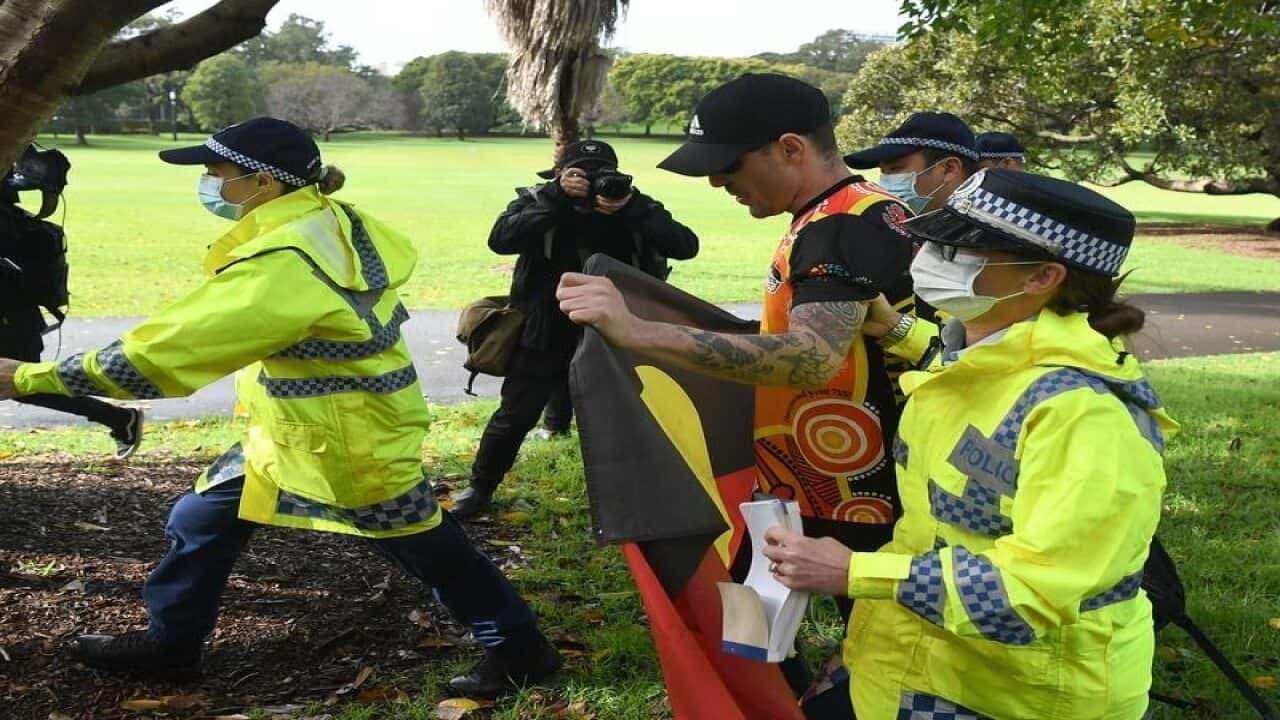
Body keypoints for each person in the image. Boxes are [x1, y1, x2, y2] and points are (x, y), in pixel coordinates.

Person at [0, 117, 559, 697]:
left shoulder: (282, 263)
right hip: (292, 433)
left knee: (426, 545)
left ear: (263, 183)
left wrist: (28, 377)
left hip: (345, 442)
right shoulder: (326, 219)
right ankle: (172, 645)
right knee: (199, 520)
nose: (210, 184)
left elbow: (157, 359)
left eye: (217, 173)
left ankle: (521, 649)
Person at [761, 169, 1175, 719]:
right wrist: (898, 331)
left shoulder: (1085, 416)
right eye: (933, 240)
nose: (928, 257)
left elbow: (1033, 591)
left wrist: (852, 572)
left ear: (1042, 276)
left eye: (957, 250)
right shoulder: (984, 356)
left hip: (1016, 697)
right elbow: (980, 374)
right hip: (920, 660)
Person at [453, 139, 699, 518]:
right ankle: (480, 488)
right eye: (580, 174)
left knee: (629, 414)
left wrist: (631, 208)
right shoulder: (541, 200)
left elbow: (686, 245)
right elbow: (500, 239)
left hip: (617, 329)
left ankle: (636, 497)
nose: (592, 183)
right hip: (545, 327)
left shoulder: (634, 204)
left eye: (600, 173)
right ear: (560, 174)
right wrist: (554, 198)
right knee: (516, 413)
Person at [0, 145, 142, 458]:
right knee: (24, 385)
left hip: (11, 320)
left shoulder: (8, 224)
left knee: (24, 384)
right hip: (16, 316)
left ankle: (120, 418)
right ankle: (120, 419)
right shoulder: (13, 218)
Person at [843, 112, 980, 214]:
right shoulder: (925, 228)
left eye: (895, 169)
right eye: (883, 172)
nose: (884, 184)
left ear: (949, 169)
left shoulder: (990, 233)